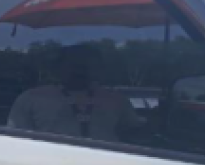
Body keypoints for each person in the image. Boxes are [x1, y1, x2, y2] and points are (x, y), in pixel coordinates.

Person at [8, 45, 141, 142]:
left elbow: (134, 136)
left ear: (98, 68)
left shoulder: (116, 100)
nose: (79, 71)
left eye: (85, 65)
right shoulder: (31, 98)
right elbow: (15, 141)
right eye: (73, 65)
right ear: (58, 67)